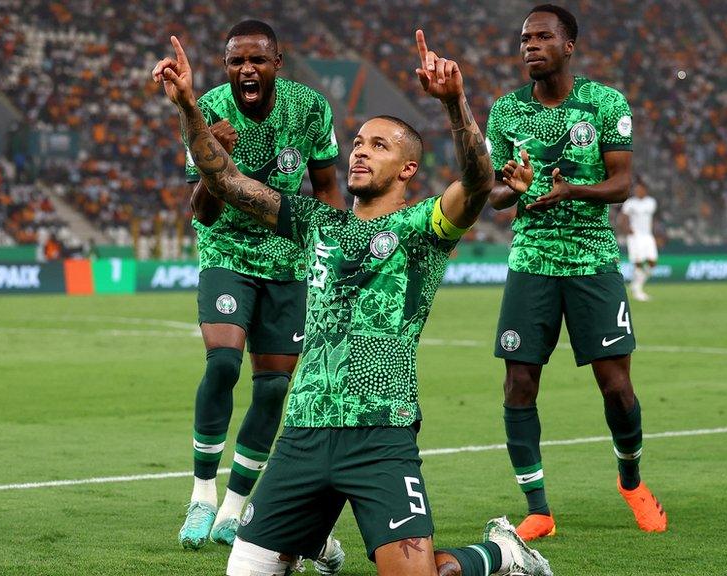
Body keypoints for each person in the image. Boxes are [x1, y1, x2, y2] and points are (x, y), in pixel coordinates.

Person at [154, 30, 553, 576]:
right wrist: (186, 107)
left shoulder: (425, 227)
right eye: (359, 142)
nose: (361, 151)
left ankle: (501, 554)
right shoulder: (318, 223)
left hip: (380, 434)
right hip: (302, 433)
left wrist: (455, 103)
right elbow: (224, 180)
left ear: (408, 170)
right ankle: (314, 538)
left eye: (379, 145)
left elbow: (479, 182)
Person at [484, 4, 667, 541]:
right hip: (531, 260)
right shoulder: (506, 112)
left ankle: (631, 481)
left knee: (616, 387)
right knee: (518, 383)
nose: (530, 46)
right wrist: (512, 187)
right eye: (524, 39)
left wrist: (572, 190)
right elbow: (492, 194)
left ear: (569, 46)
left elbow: (622, 184)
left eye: (542, 37)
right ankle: (538, 507)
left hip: (592, 259)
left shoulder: (605, 103)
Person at [176, 20, 347, 551]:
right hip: (226, 251)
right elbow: (199, 212)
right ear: (226, 67)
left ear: (277, 61)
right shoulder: (205, 110)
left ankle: (234, 509)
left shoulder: (311, 107)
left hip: (290, 261)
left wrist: (334, 255)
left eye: (256, 60)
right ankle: (203, 496)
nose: (246, 69)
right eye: (235, 62)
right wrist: (212, 156)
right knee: (223, 363)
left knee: (273, 387)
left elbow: (326, 189)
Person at [619, 181, 658, 302]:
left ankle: (636, 284)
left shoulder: (651, 202)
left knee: (652, 262)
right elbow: (622, 217)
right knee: (639, 262)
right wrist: (627, 229)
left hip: (647, 236)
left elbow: (651, 220)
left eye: (640, 189)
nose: (638, 191)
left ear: (645, 190)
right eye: (636, 189)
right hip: (635, 236)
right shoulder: (630, 203)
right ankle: (638, 291)